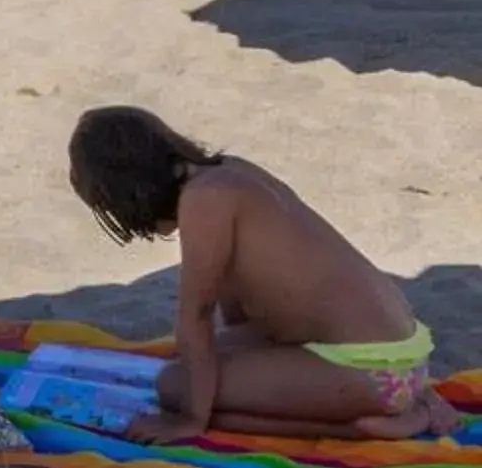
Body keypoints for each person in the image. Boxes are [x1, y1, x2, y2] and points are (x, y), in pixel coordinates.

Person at [68, 107, 456, 442]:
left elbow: (197, 312)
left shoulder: (204, 201)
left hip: (370, 371)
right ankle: (406, 402)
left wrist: (191, 419)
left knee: (174, 387)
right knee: (196, 362)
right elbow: (235, 301)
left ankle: (366, 426)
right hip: (399, 353)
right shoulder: (227, 172)